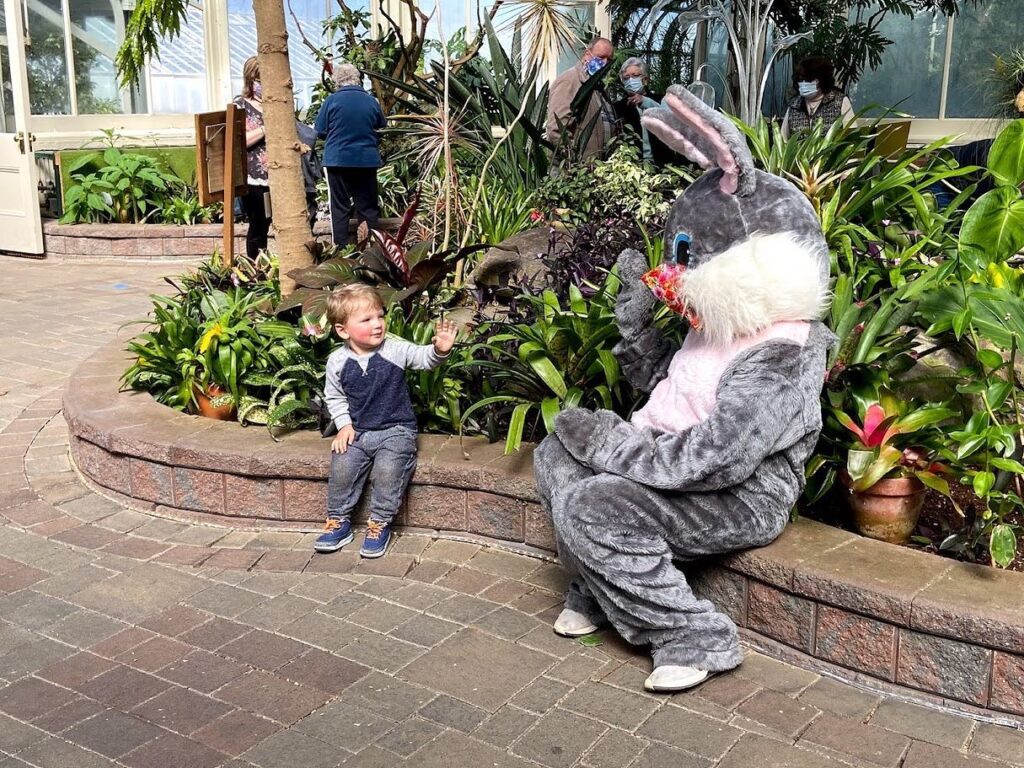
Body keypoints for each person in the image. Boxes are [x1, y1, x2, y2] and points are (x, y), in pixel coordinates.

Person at [534, 85, 830, 693]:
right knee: (555, 455)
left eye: (690, 258)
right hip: (673, 463)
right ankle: (599, 588)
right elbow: (671, 392)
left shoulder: (783, 348)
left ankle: (695, 635)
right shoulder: (720, 323)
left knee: (594, 501)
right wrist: (635, 329)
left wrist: (611, 449)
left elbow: (719, 455)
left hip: (743, 493)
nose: (675, 275)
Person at [315, 284, 458, 558]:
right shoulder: (337, 361)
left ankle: (379, 523)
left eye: (380, 316)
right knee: (342, 466)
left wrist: (439, 350)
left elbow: (423, 358)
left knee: (388, 470)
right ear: (343, 330)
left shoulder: (394, 350)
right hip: (358, 431)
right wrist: (344, 425)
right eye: (367, 320)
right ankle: (338, 521)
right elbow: (334, 397)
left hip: (396, 430)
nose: (378, 324)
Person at [315, 63, 387, 247]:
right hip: (366, 160)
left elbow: (320, 131)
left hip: (337, 161)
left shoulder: (331, 101)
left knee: (339, 208)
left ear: (337, 81)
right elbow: (381, 126)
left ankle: (340, 251)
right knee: (368, 208)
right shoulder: (371, 101)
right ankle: (372, 250)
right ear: (358, 79)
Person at [545, 37, 618, 162]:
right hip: (576, 172)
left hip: (598, 170)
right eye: (601, 57)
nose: (605, 63)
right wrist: (575, 160)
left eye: (609, 60)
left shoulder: (600, 88)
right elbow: (556, 129)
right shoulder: (570, 80)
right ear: (587, 55)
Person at [234, 56, 271, 259]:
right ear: (250, 80)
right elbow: (238, 141)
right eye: (259, 80)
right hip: (254, 178)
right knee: (258, 224)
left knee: (269, 223)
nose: (262, 85)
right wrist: (265, 129)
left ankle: (266, 264)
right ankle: (255, 268)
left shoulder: (275, 104)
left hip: (277, 175)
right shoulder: (240, 106)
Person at [612, 57, 675, 167]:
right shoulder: (618, 107)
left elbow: (671, 121)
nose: (631, 80)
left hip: (663, 164)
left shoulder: (660, 99)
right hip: (632, 166)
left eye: (635, 76)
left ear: (645, 79)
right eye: (626, 77)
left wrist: (645, 101)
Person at [781, 56, 854, 139]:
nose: (804, 83)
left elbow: (852, 137)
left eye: (809, 80)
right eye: (801, 80)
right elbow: (783, 139)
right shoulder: (794, 105)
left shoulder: (839, 101)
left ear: (822, 80)